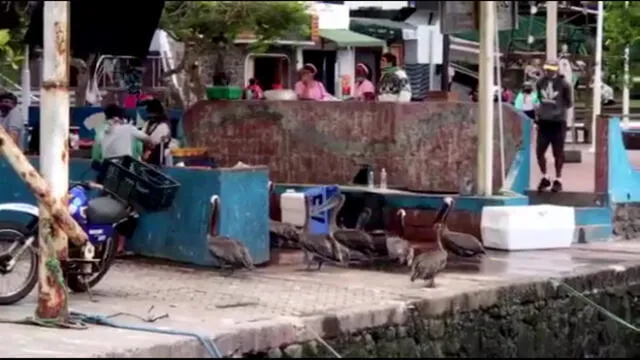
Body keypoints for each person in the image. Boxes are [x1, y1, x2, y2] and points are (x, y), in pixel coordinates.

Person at [534, 60, 573, 193]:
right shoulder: (540, 82)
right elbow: (539, 98)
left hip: (558, 122)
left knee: (558, 153)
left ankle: (558, 179)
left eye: (552, 69)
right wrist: (542, 112)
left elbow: (569, 102)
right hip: (544, 122)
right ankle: (545, 177)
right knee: (539, 151)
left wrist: (558, 110)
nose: (549, 72)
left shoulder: (564, 84)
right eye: (547, 69)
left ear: (556, 70)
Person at [141, 99, 172, 166]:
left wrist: (148, 151)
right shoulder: (148, 123)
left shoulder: (163, 125)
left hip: (157, 160)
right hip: (146, 159)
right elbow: (142, 136)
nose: (151, 116)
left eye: (152, 113)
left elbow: (154, 141)